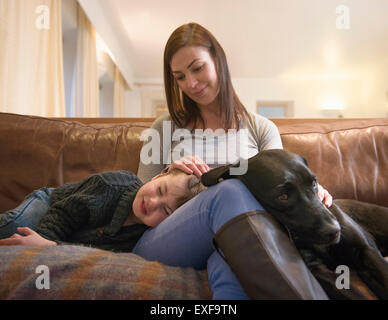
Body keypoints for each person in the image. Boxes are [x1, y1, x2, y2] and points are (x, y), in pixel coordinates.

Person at [135, 22, 333, 299]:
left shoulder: (262, 129)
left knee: (232, 254)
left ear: (218, 60)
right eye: (179, 77)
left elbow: (282, 189)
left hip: (232, 242)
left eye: (197, 67)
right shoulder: (163, 127)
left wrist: (308, 193)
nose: (190, 84)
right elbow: (133, 200)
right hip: (164, 241)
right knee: (229, 190)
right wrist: (171, 171)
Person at [0, 169, 205, 252]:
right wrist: (43, 240)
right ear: (158, 176)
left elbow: (92, 251)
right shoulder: (111, 185)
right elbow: (62, 215)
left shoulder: (141, 237)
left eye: (166, 210)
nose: (152, 202)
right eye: (160, 190)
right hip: (52, 203)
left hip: (65, 237)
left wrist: (51, 245)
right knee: (18, 227)